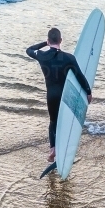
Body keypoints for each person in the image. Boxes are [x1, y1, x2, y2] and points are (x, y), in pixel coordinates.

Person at [27, 27, 93, 163]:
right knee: (65, 121)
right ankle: (65, 149)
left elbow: (29, 50)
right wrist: (88, 91)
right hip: (64, 96)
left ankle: (53, 150)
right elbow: (79, 76)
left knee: (53, 123)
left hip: (51, 96)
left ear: (49, 40)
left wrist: (45, 44)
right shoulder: (69, 58)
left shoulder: (41, 55)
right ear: (61, 40)